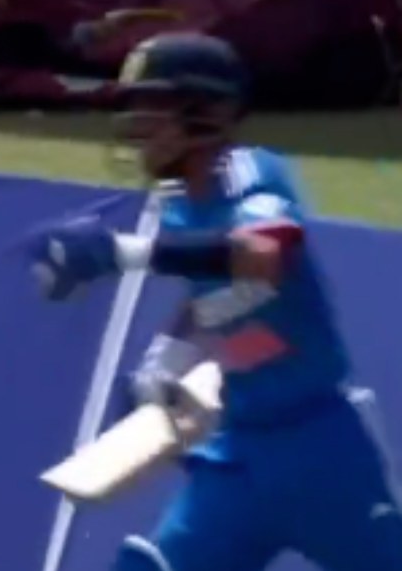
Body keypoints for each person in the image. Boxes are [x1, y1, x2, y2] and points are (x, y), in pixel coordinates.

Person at [28, 32, 402, 571]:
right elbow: (210, 292)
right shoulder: (183, 207)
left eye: (154, 106)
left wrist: (123, 252)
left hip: (322, 446)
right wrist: (165, 360)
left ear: (209, 111)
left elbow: (261, 257)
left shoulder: (250, 171)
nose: (140, 125)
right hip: (240, 452)